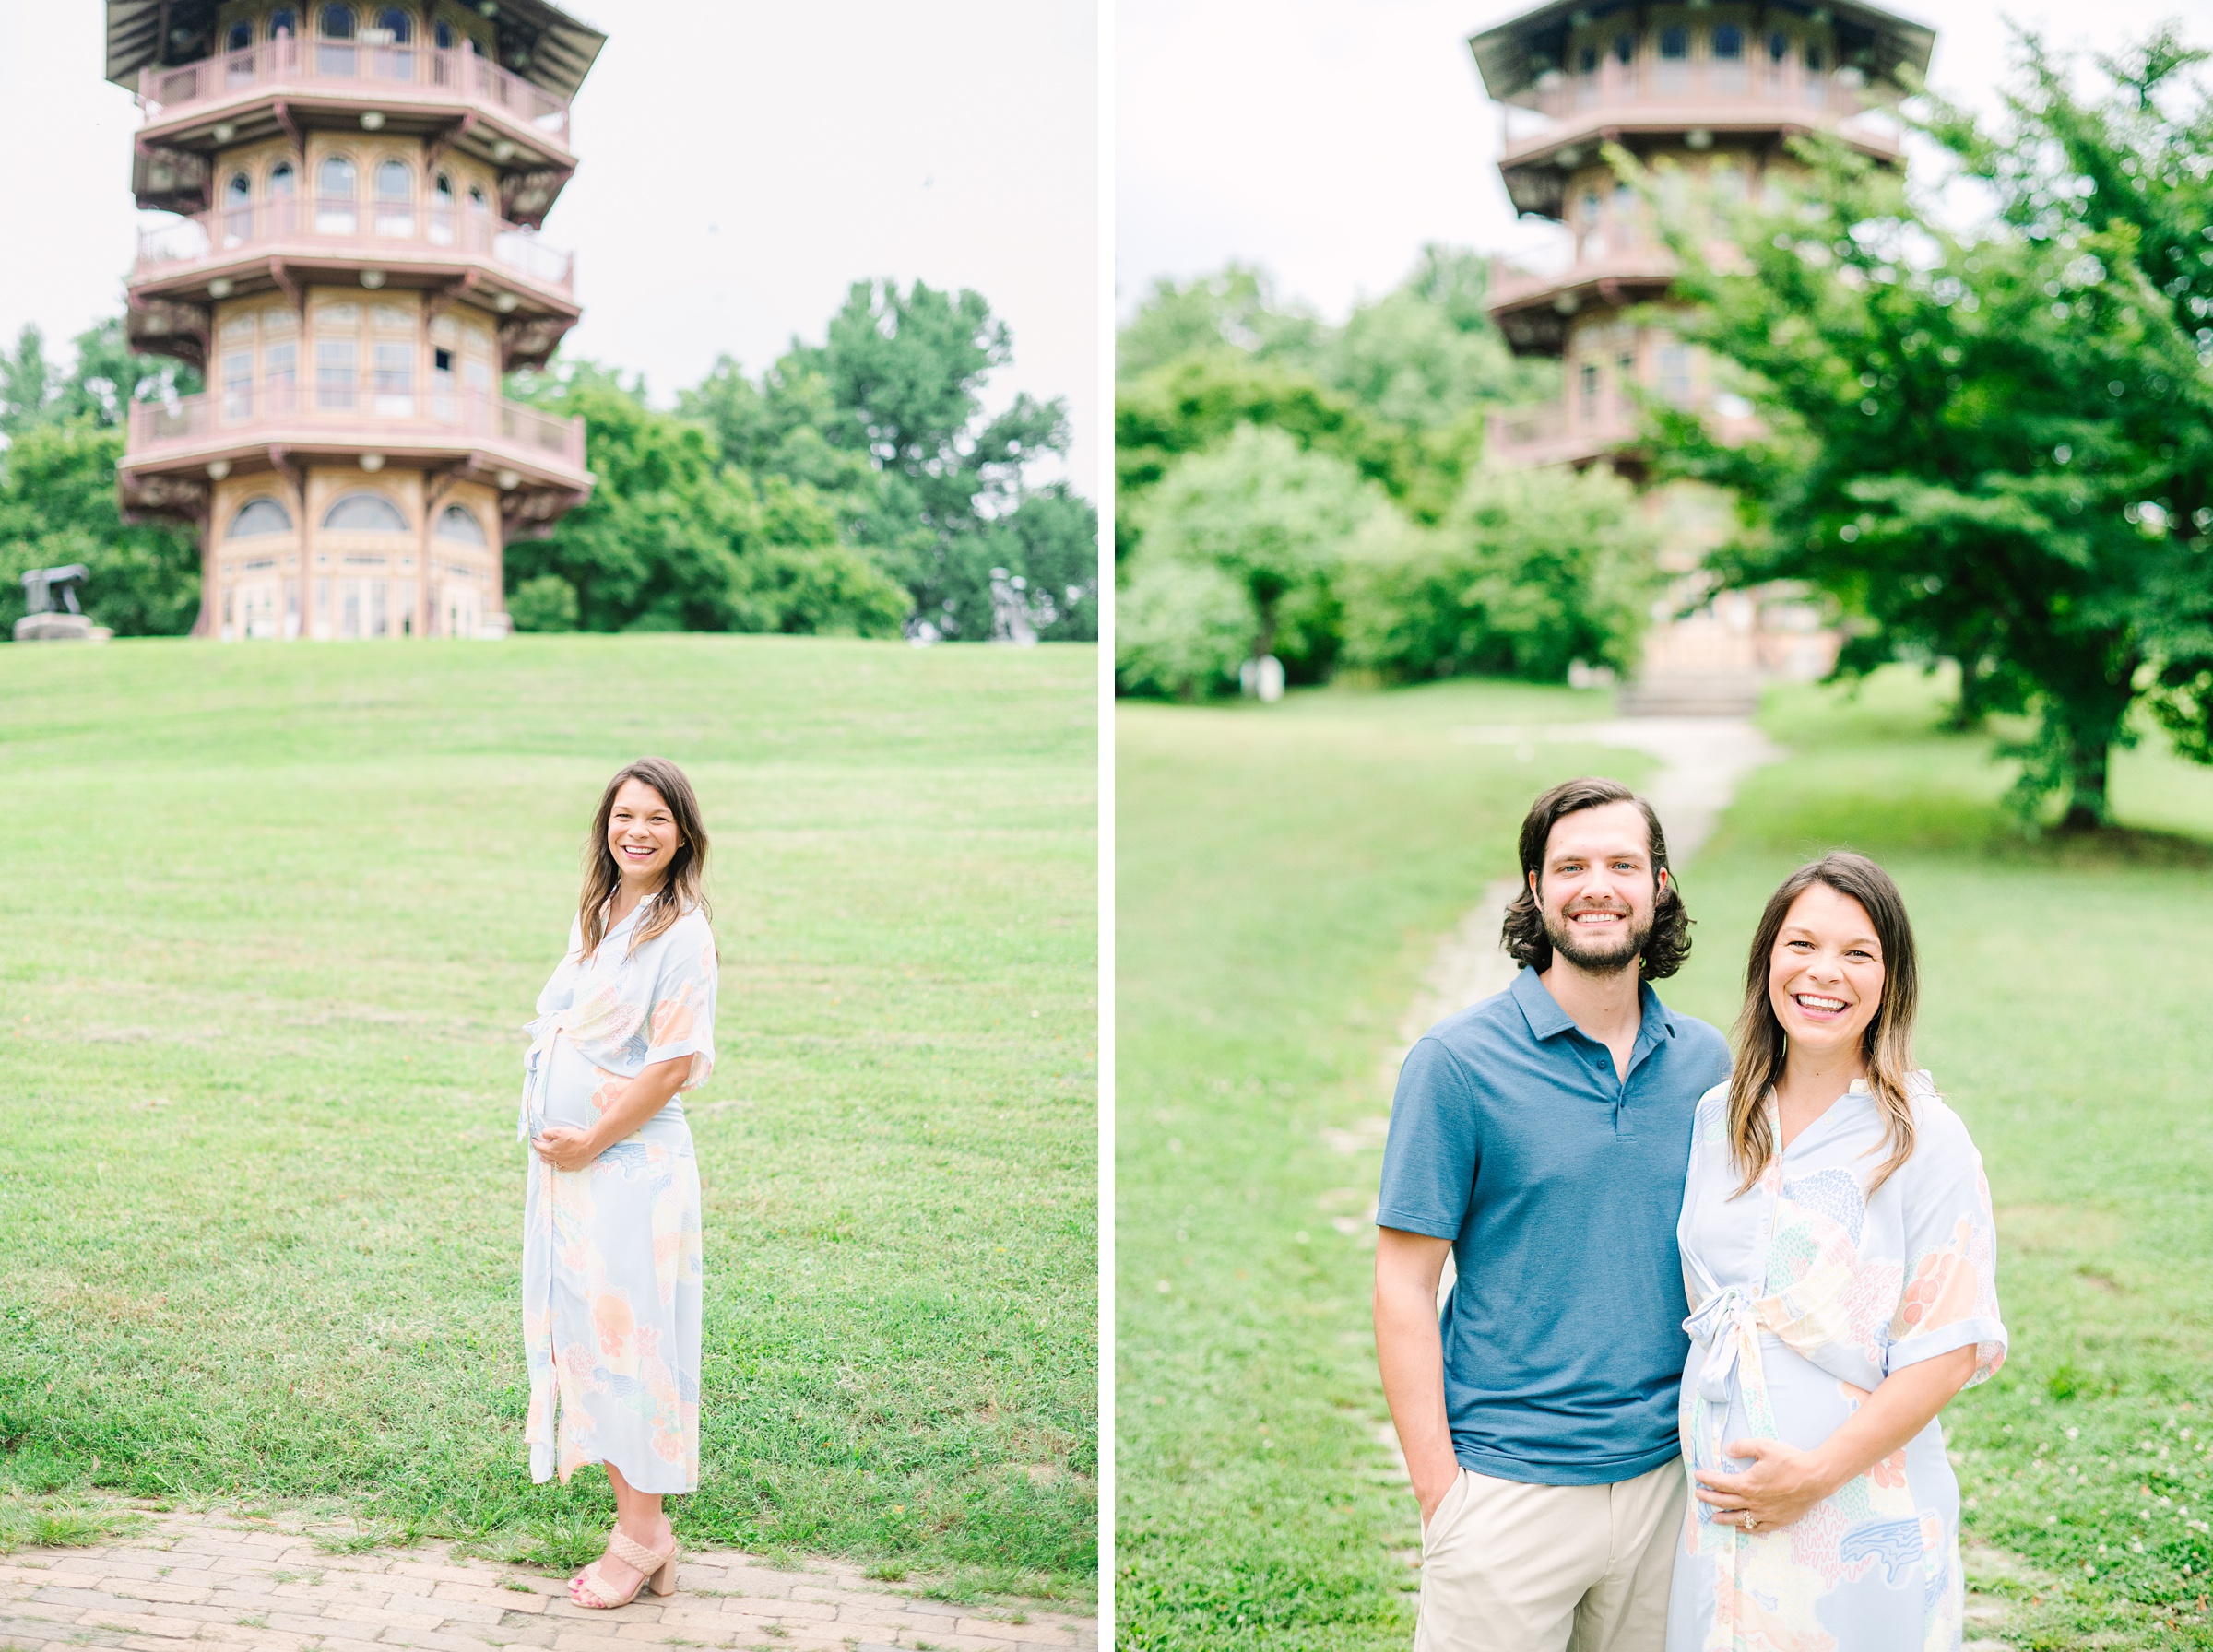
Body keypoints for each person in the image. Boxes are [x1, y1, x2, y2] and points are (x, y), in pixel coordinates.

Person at [1375, 777, 1733, 1651]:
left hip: (1665, 1483)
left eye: (1622, 863)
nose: (1598, 886)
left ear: (1659, 885)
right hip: (1507, 1488)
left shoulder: (1707, 1064)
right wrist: (1442, 1494)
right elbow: (1403, 1282)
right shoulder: (1456, 1065)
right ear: (1536, 889)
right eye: (1570, 866)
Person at [1669, 852, 2005, 1651]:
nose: (1826, 973)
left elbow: (1948, 1349)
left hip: (1861, 1514)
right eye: (1801, 945)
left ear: (1891, 980)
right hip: (1720, 1513)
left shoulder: (1926, 1140)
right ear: (1766, 961)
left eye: (1858, 953)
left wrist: (1812, 1477)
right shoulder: (1720, 1117)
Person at [518, 757, 718, 1611]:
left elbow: (672, 1067)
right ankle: (647, 1535)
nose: (636, 832)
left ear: (683, 836)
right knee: (593, 1348)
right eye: (624, 815)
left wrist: (593, 1135)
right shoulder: (601, 909)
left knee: (636, 1352)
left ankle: (642, 1536)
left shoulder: (684, 934)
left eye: (657, 821)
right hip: (578, 1175)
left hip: (633, 1172)